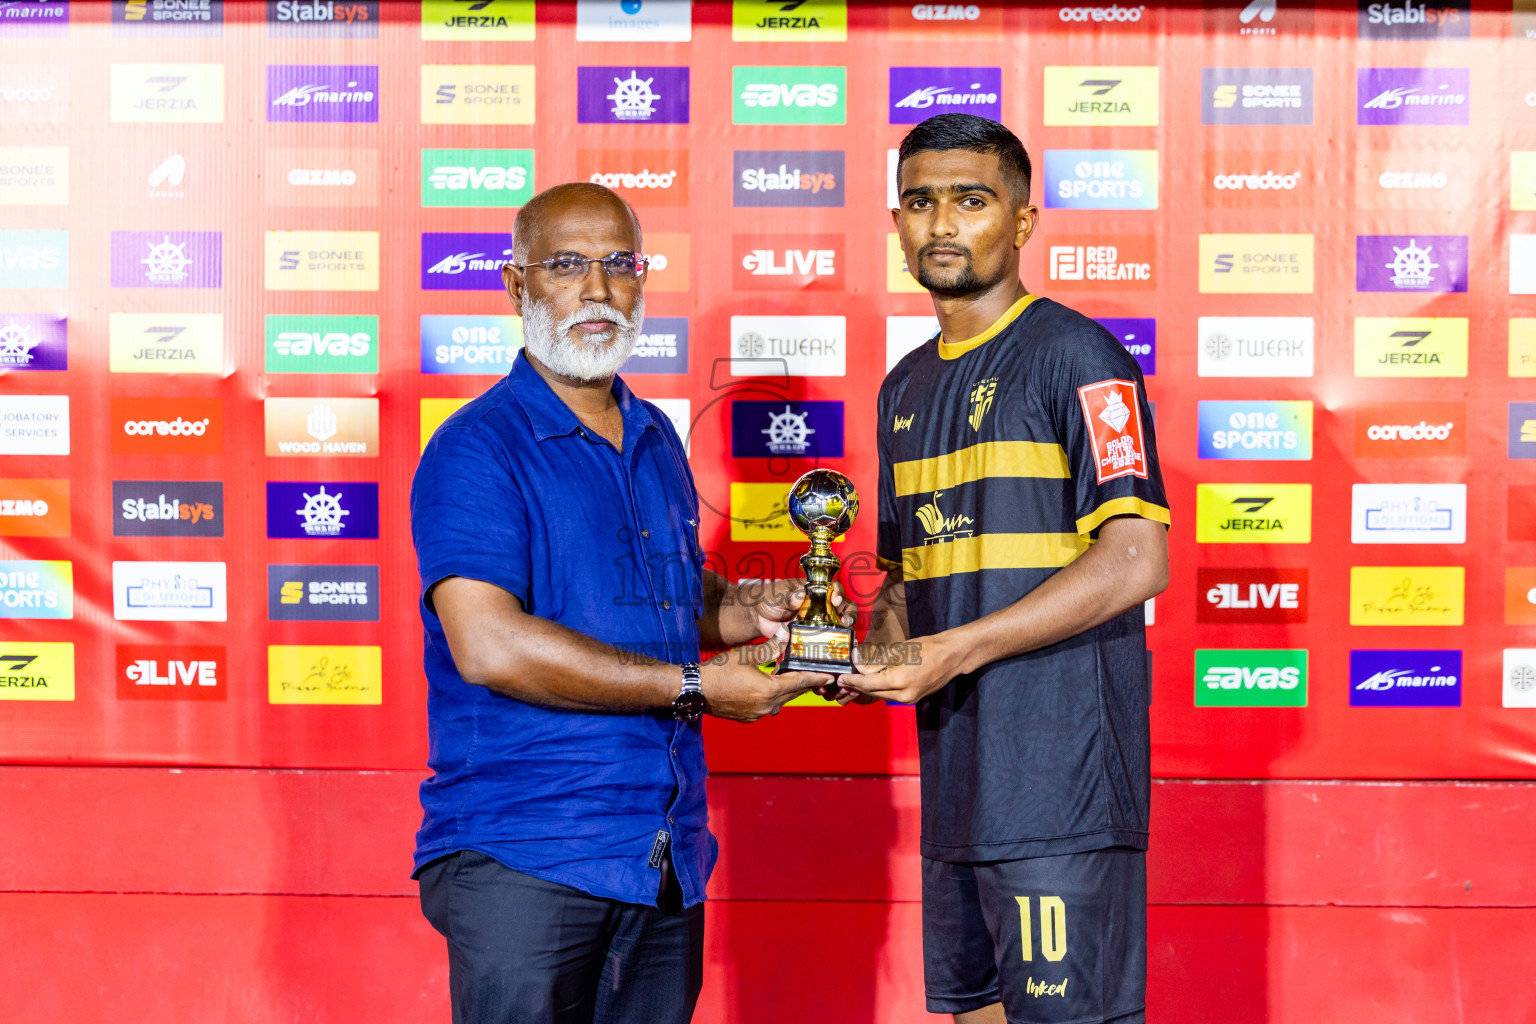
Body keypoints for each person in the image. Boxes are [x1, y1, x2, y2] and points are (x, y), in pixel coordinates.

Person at [409, 182, 835, 1024]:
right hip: (529, 852)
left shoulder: (653, 435)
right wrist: (695, 686)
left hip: (662, 854)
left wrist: (748, 612)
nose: (597, 288)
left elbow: (666, 601)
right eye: (567, 265)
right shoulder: (476, 448)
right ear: (516, 285)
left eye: (619, 264)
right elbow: (490, 645)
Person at [840, 113, 1171, 1024]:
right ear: (897, 221)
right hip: (959, 783)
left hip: (1060, 783)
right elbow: (907, 582)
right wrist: (873, 656)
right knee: (973, 1013)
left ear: (1022, 222)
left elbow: (1138, 560)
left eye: (972, 201)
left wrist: (955, 650)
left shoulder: (1081, 356)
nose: (942, 224)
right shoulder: (902, 385)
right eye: (920, 202)